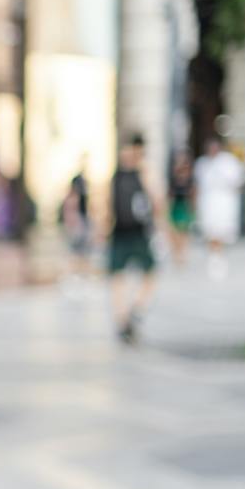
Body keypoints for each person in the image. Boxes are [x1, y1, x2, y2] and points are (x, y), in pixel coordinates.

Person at [108, 134, 159, 344]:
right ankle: (134, 310)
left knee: (118, 277)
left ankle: (123, 318)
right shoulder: (143, 174)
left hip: (120, 232)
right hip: (137, 232)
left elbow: (104, 205)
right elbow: (157, 202)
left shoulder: (115, 176)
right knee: (148, 273)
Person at [193, 136, 245, 279]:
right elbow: (198, 185)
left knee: (222, 230)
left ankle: (218, 256)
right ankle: (214, 256)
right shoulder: (202, 163)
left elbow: (237, 183)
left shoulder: (229, 162)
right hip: (208, 202)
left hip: (224, 202)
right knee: (210, 230)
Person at [167, 148, 195, 267]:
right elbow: (170, 194)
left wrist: (192, 206)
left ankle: (182, 253)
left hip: (184, 205)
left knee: (183, 231)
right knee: (174, 231)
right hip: (176, 206)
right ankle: (177, 253)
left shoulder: (190, 178)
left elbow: (193, 193)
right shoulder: (173, 178)